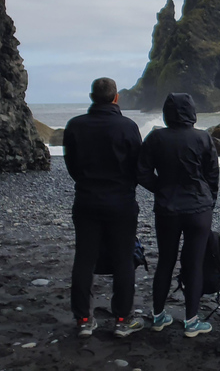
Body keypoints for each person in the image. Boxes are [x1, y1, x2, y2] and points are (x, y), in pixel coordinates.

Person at [63, 77, 144, 338]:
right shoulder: (128, 127)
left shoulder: (75, 125)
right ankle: (123, 319)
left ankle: (84, 319)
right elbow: (137, 166)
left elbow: (71, 164)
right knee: (123, 259)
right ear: (116, 97)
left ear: (91, 97)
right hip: (121, 201)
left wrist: (87, 182)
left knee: (84, 259)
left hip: (86, 199)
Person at [137, 93, 219, 338]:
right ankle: (192, 321)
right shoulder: (203, 137)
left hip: (168, 208)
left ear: (167, 113)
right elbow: (212, 174)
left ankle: (159, 316)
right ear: (192, 113)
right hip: (199, 208)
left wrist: (160, 188)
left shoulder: (155, 137)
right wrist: (208, 198)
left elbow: (142, 172)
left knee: (166, 261)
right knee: (194, 263)